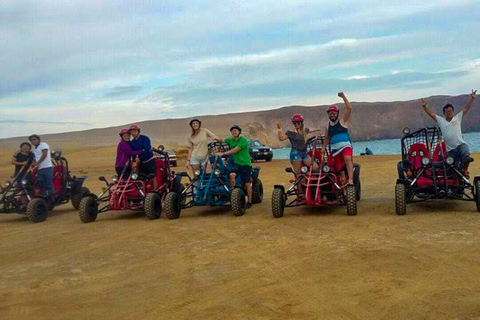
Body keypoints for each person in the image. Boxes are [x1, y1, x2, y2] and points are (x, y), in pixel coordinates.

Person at [421, 90, 477, 178]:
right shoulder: (441, 120)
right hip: (450, 151)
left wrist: (472, 99)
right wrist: (424, 106)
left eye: (451, 111)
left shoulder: (457, 118)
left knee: (466, 154)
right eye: (447, 111)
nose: (449, 112)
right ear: (444, 113)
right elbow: (430, 113)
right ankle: (456, 187)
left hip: (460, 145)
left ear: (453, 112)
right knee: (454, 169)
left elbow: (466, 108)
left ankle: (466, 170)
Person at [215, 125, 253, 208]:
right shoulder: (230, 140)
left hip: (245, 164)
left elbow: (236, 149)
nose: (234, 132)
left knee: (247, 183)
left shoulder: (243, 140)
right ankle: (234, 194)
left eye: (236, 131)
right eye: (232, 131)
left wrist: (223, 153)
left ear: (239, 132)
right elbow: (222, 140)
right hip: (237, 163)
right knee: (231, 175)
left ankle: (249, 201)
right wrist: (214, 138)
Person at [322, 92, 354, 185]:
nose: (332, 115)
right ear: (328, 114)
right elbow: (327, 138)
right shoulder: (327, 125)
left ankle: (351, 180)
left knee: (347, 158)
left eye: (334, 113)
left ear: (337, 114)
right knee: (340, 172)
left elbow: (349, 108)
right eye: (330, 113)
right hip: (335, 150)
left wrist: (343, 97)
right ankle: (343, 190)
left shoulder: (343, 121)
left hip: (345, 146)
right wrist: (323, 147)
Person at [28, 134, 54, 201]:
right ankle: (43, 200)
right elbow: (35, 158)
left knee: (48, 184)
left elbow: (44, 154)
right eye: (31, 140)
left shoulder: (43, 145)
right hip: (40, 169)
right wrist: (34, 163)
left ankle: (52, 200)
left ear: (38, 139)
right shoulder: (34, 149)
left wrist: (37, 162)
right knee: (41, 184)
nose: (33, 141)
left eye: (34, 139)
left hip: (47, 167)